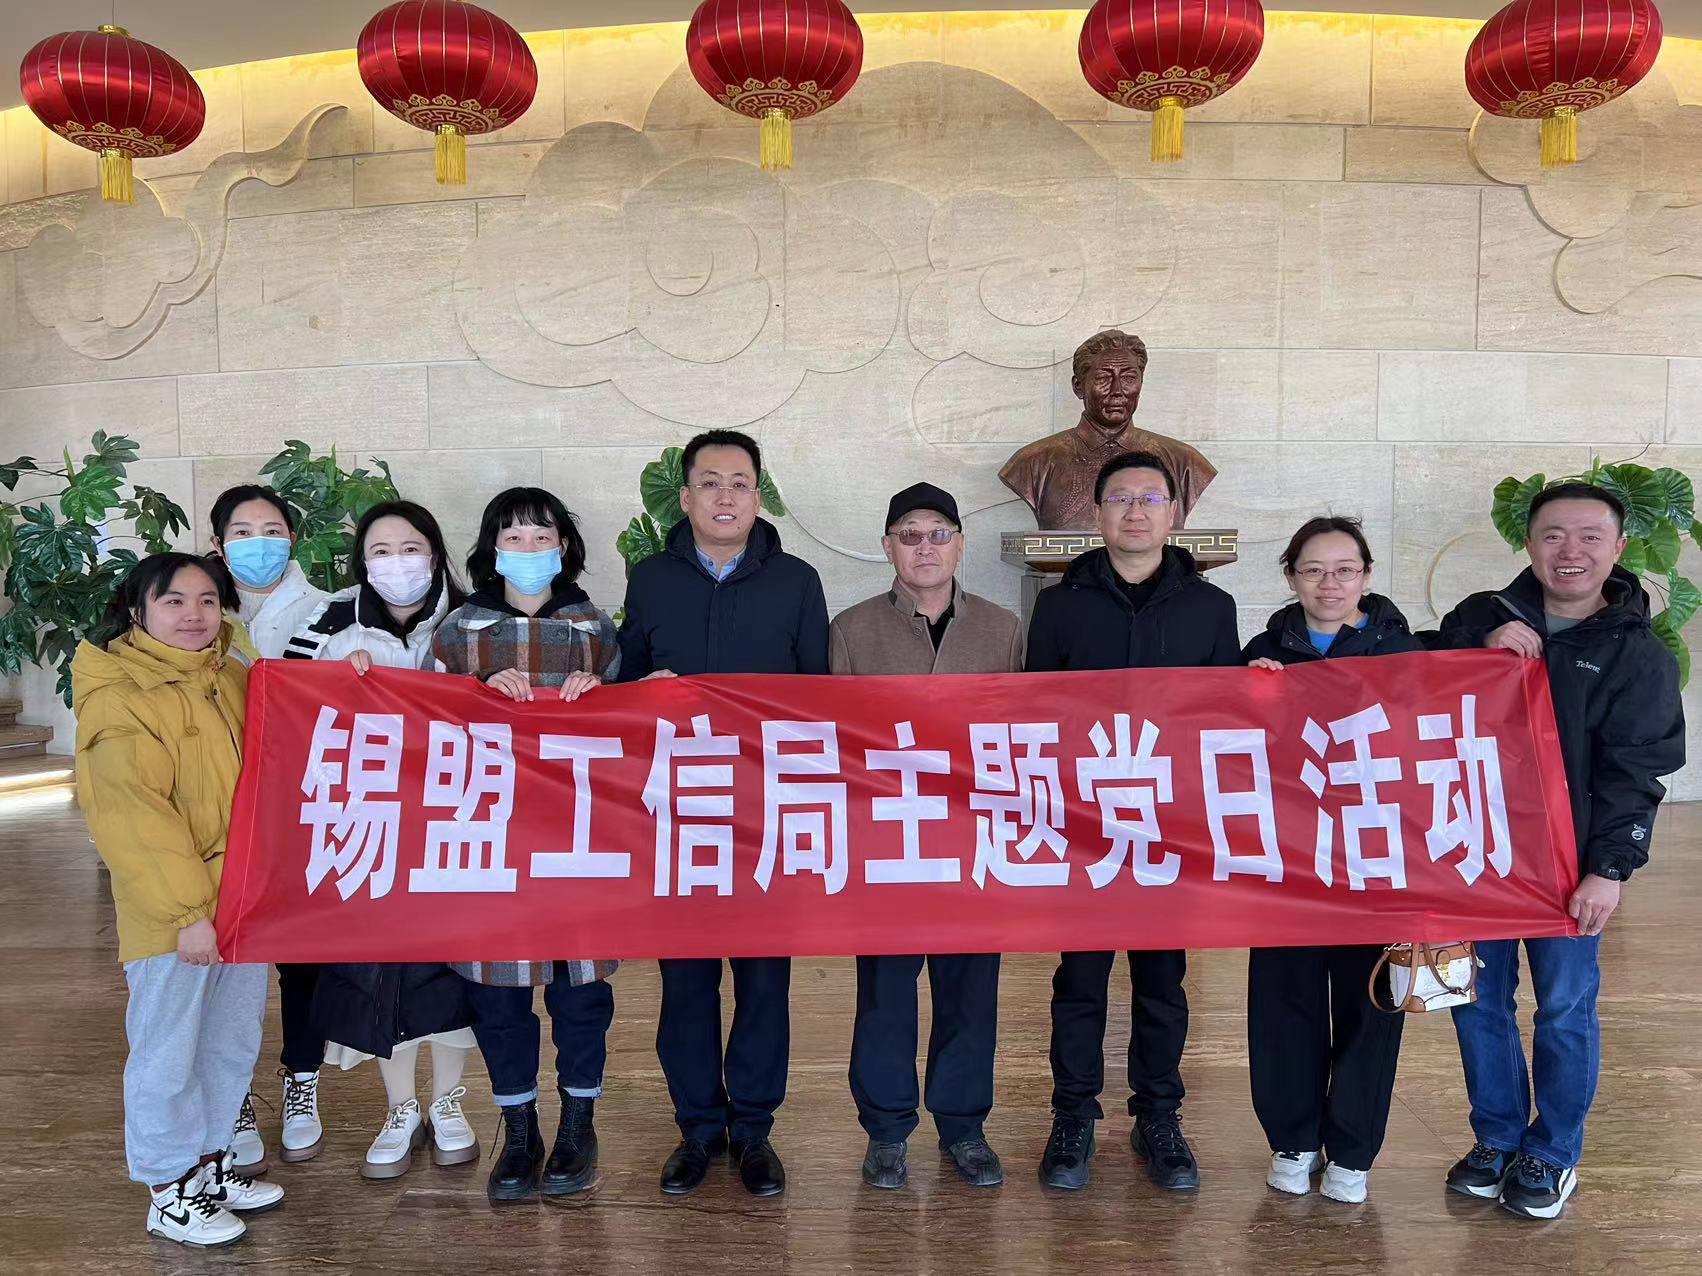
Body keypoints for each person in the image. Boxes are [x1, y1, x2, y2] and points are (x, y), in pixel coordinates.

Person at [1435, 482, 1684, 1219]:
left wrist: (1609, 869)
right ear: (1528, 543)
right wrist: (1476, 652)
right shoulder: (1479, 617)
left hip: (1569, 867)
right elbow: (1415, 686)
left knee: (1564, 1009)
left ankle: (1552, 1151)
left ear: (1619, 547)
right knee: (1477, 1004)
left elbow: (1635, 771)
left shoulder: (1637, 653)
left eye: (1589, 537)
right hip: (1478, 853)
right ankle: (1496, 1137)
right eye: (1552, 535)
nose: (1570, 552)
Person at [617, 429, 830, 1198]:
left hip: (766, 815)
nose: (725, 496)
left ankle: (755, 1130)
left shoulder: (797, 581)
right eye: (710, 482)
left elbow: (821, 700)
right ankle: (698, 1129)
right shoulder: (651, 579)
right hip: (677, 816)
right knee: (686, 982)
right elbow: (623, 689)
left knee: (764, 980)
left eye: (740, 482)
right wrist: (642, 693)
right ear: (685, 497)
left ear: (757, 495)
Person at [1025, 450, 1240, 1192]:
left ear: (1174, 513)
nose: (1137, 510)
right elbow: (1034, 713)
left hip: (1169, 827)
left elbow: (1225, 721)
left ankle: (1159, 1117)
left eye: (1152, 497)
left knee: (1162, 982)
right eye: (1121, 497)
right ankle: (1072, 1117)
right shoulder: (1060, 605)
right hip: (1084, 828)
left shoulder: (1211, 608)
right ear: (1098, 512)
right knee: (1079, 981)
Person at [71, 554, 285, 1246]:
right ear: (138, 612)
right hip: (175, 915)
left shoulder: (230, 675)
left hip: (241, 901)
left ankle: (210, 1166)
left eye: (206, 601)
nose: (193, 615)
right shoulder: (119, 695)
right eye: (173, 602)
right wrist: (188, 915)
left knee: (228, 1043)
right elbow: (133, 819)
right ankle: (168, 1189)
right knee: (169, 1052)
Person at [829, 482, 1023, 1191]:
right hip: (887, 840)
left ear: (960, 544)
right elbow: (834, 741)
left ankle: (964, 1125)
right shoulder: (851, 630)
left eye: (939, 533)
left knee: (970, 989)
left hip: (974, 840)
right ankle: (886, 1129)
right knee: (885, 991)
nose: (925, 548)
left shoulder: (1003, 629)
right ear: (888, 547)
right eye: (909, 535)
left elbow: (1025, 733)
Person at [432, 487, 621, 1203]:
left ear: (564, 546)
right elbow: (421, 720)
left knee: (581, 992)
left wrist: (603, 692)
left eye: (543, 536)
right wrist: (476, 689)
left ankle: (578, 1122)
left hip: (577, 835)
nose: (530, 549)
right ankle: (518, 1129)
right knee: (497, 994)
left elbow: (636, 729)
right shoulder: (460, 629)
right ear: (492, 548)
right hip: (490, 835)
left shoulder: (594, 626)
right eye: (514, 537)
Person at [285, 501, 480, 1180]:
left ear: (436, 553)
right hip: (368, 825)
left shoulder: (472, 621)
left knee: (453, 968)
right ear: (361, 562)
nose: (398, 563)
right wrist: (336, 682)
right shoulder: (327, 622)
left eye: (412, 548)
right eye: (381, 551)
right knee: (382, 968)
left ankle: (449, 1101)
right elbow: (286, 703)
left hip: (456, 821)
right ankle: (399, 1107)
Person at [1241, 517, 1419, 1205]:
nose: (1329, 583)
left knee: (1370, 1001)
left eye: (1345, 569)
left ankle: (1351, 1150)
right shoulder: (1261, 650)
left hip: (1374, 856)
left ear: (1366, 576)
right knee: (1284, 1000)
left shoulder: (1402, 652)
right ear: (1291, 577)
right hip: (1287, 859)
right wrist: (1246, 693)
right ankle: (1291, 1139)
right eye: (1313, 570)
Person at [207, 484, 330, 1171]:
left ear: (293, 538)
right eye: (244, 532)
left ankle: (300, 1079)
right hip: (222, 809)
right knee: (232, 957)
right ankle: (232, 1096)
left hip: (304, 808)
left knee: (302, 956)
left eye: (273, 529)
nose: (260, 543)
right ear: (219, 543)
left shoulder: (329, 611)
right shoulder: (200, 611)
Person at [998, 329, 1217, 530]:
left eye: (1128, 378)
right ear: (1078, 386)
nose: (1117, 390)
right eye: (1103, 378)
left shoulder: (1185, 462)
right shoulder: (1034, 462)